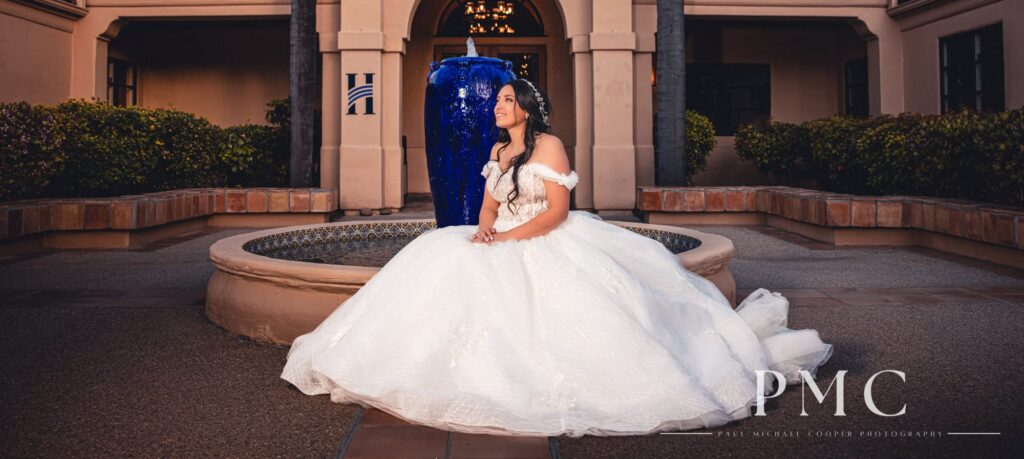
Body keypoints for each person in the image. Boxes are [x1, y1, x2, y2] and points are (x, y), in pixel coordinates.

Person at [281, 78, 833, 437]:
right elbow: (491, 203)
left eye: (504, 99)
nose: (496, 107)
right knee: (438, 257)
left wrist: (511, 240)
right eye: (495, 100)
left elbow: (559, 212)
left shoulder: (549, 146)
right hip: (504, 236)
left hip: (548, 237)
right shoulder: (497, 151)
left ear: (524, 106)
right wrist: (484, 231)